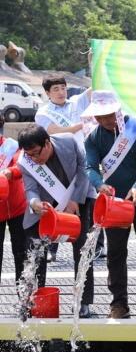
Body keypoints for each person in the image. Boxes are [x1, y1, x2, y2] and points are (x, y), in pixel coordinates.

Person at [83, 91, 136, 319]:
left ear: (118, 110)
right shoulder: (93, 137)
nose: (104, 121)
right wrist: (99, 184)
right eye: (99, 117)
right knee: (116, 253)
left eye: (108, 115)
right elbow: (90, 167)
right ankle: (119, 302)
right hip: (114, 204)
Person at [17, 125, 95, 318]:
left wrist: (75, 199)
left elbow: (84, 168)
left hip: (77, 198)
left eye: (37, 153)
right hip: (45, 208)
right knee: (35, 252)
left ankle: (83, 301)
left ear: (47, 143)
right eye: (30, 155)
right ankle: (32, 299)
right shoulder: (25, 161)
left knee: (83, 250)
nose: (35, 159)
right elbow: (30, 189)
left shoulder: (69, 141)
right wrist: (35, 204)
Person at [35, 77, 105, 261]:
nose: (61, 92)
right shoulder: (43, 112)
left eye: (63, 88)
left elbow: (96, 87)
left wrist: (93, 61)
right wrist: (84, 124)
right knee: (58, 201)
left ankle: (96, 245)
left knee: (90, 202)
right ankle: (52, 247)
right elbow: (55, 131)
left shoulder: (76, 102)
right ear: (47, 93)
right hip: (60, 163)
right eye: (56, 89)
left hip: (84, 160)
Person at [0, 114, 27, 290]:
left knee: (22, 255)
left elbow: (22, 164)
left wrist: (10, 172)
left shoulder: (11, 146)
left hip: (18, 208)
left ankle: (25, 301)